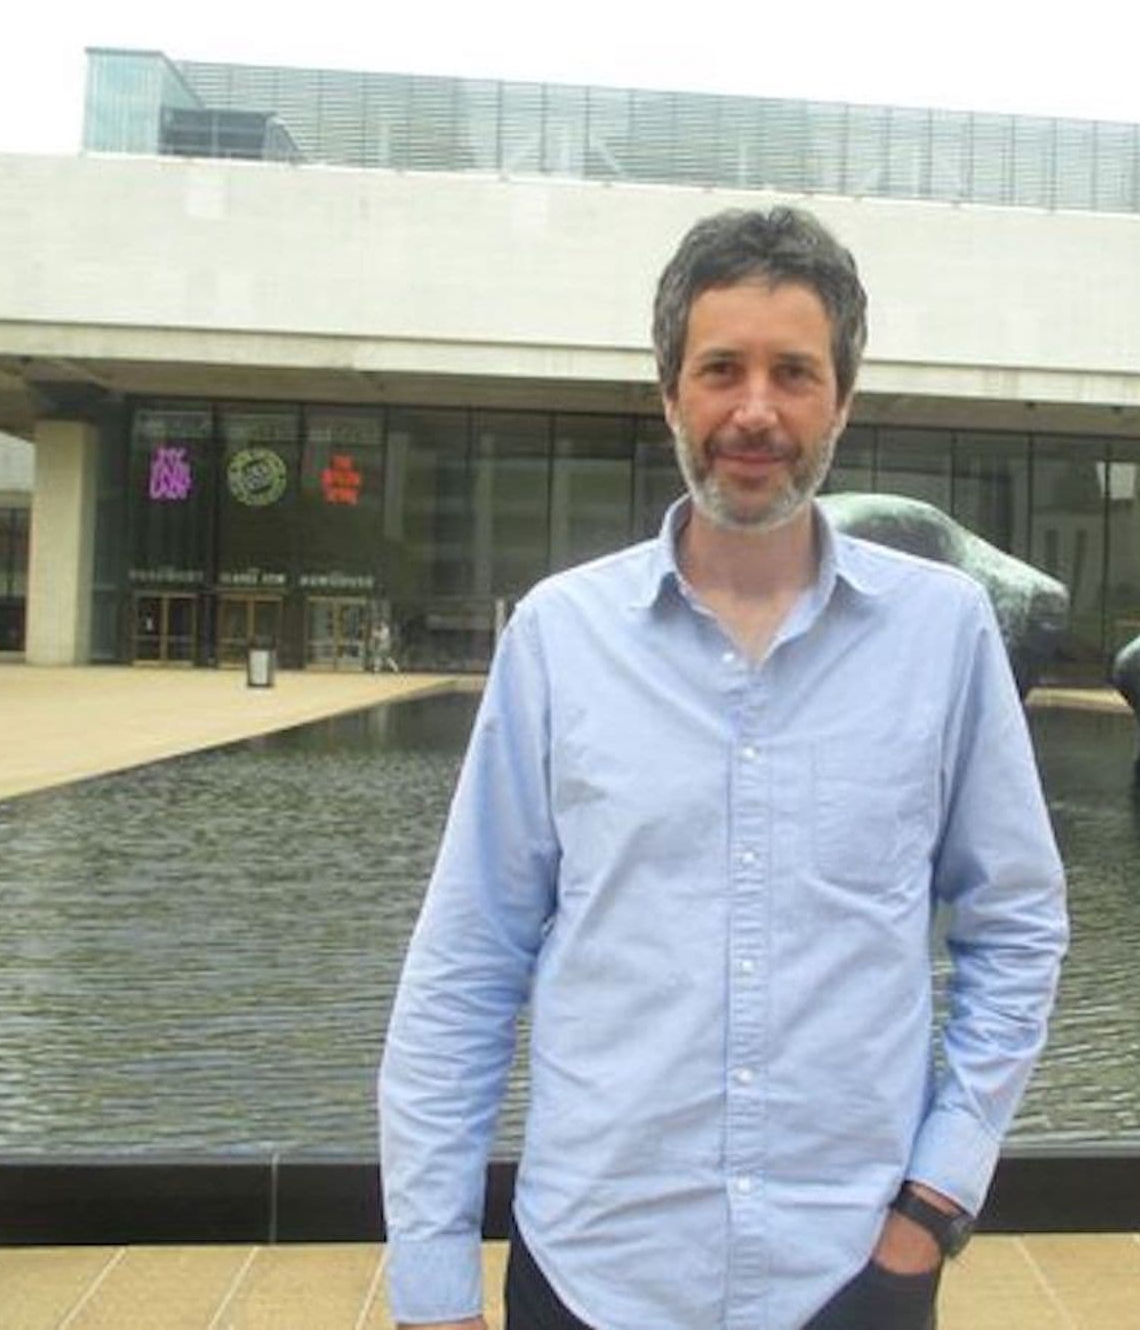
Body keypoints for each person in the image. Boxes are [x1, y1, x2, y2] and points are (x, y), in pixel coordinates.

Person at [379, 206, 1069, 1330]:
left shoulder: (944, 635)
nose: (756, 411)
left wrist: (935, 1199)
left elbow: (1019, 925)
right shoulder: (560, 638)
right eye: (720, 370)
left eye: (793, 372)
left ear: (842, 400)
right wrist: (433, 1279)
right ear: (670, 395)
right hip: (593, 1277)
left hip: (851, 1280)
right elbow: (466, 966)